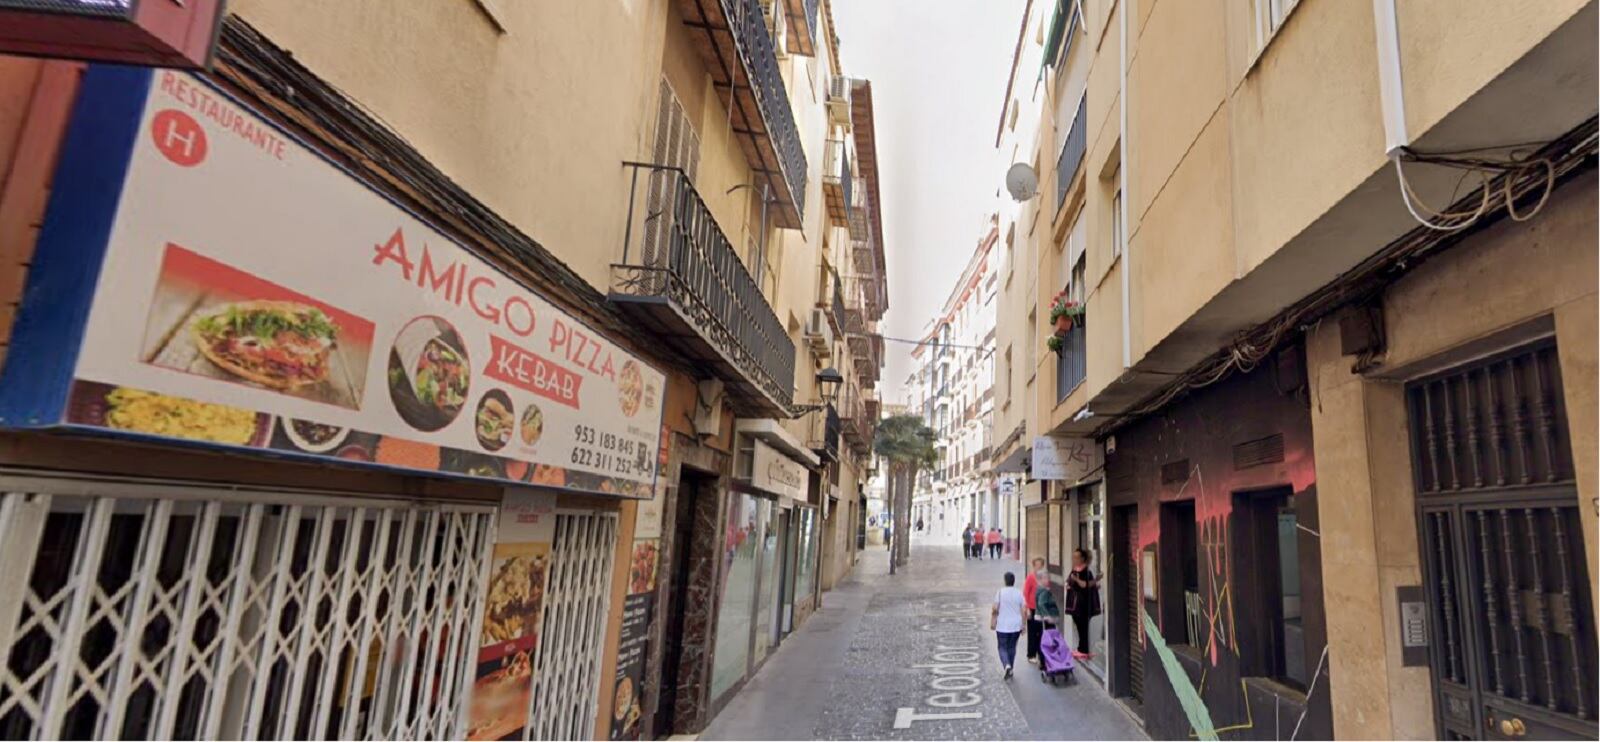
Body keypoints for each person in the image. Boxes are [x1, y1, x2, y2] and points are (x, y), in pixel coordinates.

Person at [1066, 548, 1101, 657]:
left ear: (1082, 558)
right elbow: (1069, 581)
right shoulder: (1075, 569)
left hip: (1082, 604)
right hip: (1074, 603)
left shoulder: (1086, 571)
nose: (1074, 559)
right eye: (1073, 557)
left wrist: (1076, 580)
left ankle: (1083, 649)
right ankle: (1081, 648)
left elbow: (1085, 585)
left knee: (1083, 626)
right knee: (1079, 625)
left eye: (1077, 557)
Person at [991, 571, 1026, 679]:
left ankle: (1007, 665)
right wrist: (1023, 625)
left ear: (1005, 581)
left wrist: (992, 621)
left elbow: (995, 609)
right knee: (1011, 647)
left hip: (1002, 624)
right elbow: (1024, 610)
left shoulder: (1000, 592)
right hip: (1016, 624)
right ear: (1013, 581)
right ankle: (1011, 667)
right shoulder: (1019, 593)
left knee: (1002, 647)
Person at [1022, 557, 1046, 663]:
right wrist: (1026, 608)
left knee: (1041, 632)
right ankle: (1031, 654)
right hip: (1032, 608)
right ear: (1034, 566)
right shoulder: (1030, 577)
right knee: (1032, 633)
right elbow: (1025, 593)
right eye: (1037, 565)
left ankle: (1040, 654)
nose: (1038, 567)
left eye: (1040, 565)